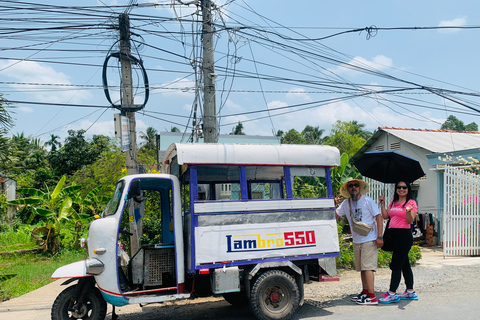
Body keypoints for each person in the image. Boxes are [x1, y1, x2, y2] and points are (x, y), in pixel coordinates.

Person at [335, 179, 383, 305]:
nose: (354, 188)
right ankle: (365, 292)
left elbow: (378, 217)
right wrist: (333, 204)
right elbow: (335, 216)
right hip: (357, 240)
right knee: (362, 268)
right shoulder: (346, 203)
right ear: (348, 190)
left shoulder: (367, 201)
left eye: (356, 185)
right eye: (351, 186)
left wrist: (379, 236)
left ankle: (372, 296)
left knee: (368, 268)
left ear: (360, 188)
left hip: (369, 238)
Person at [378, 181, 418, 303]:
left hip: (403, 236)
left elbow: (410, 221)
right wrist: (383, 204)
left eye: (404, 187)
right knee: (404, 264)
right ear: (396, 189)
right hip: (393, 235)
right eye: (399, 187)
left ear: (408, 189)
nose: (401, 189)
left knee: (396, 265)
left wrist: (407, 211)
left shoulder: (411, 203)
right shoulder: (393, 202)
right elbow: (386, 216)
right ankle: (410, 291)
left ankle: (392, 293)